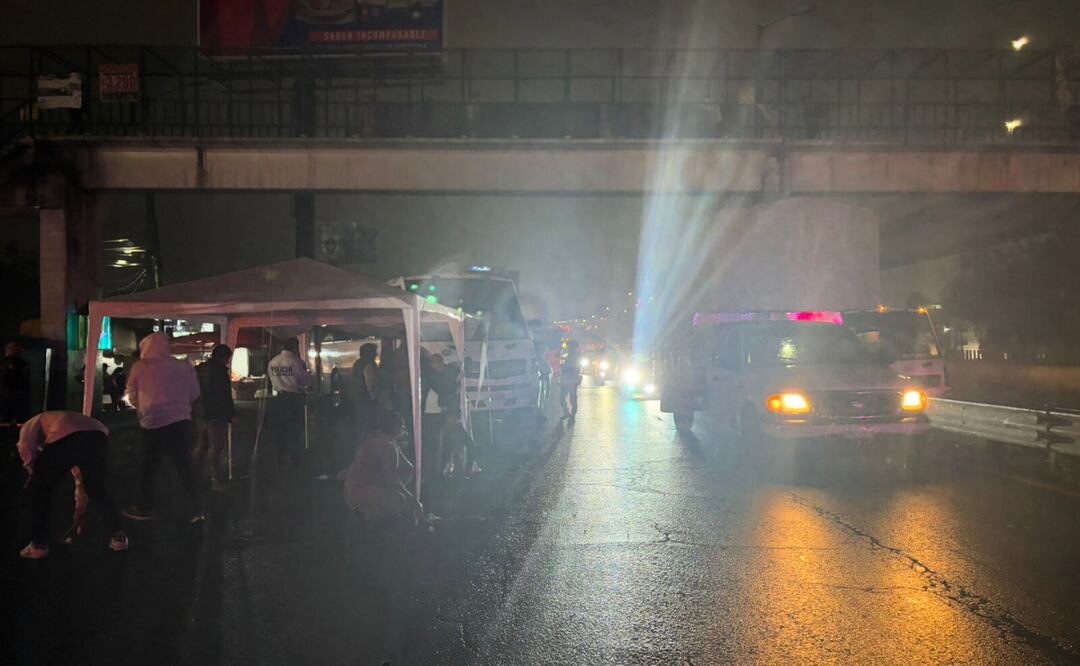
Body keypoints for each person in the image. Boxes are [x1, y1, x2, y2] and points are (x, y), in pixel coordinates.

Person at [17, 411, 129, 559]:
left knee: (39, 490)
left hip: (68, 435)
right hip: (98, 435)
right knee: (97, 487)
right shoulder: (56, 423)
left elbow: (25, 446)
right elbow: (79, 478)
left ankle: (38, 545)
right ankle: (119, 537)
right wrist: (80, 507)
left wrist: (31, 471)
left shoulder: (29, 425)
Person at [122, 332, 203, 523]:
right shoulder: (183, 366)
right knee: (185, 465)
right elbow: (195, 392)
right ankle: (196, 509)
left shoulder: (140, 367)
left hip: (152, 423)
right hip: (181, 421)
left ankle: (144, 506)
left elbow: (131, 394)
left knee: (147, 467)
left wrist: (143, 407)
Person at [342, 407, 425, 523]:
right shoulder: (386, 446)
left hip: (360, 488)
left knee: (400, 497)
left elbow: (408, 468)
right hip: (361, 490)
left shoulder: (386, 442)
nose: (404, 432)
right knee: (399, 500)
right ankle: (370, 521)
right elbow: (393, 482)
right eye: (402, 428)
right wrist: (414, 503)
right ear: (396, 429)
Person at [193, 344, 234, 492]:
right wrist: (231, 414)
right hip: (216, 414)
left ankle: (191, 475)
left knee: (202, 445)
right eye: (228, 358)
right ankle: (216, 480)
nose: (228, 362)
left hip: (200, 412)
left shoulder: (199, 370)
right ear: (223, 357)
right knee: (215, 448)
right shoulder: (219, 372)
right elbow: (223, 395)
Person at [266, 337, 311, 466]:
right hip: (293, 399)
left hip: (278, 398)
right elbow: (305, 380)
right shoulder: (296, 361)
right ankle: (294, 457)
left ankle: (279, 456)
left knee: (280, 429)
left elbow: (271, 378)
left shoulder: (273, 362)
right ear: (295, 347)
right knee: (294, 429)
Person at [350, 342, 381, 435]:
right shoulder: (369, 365)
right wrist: (376, 398)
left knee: (361, 424)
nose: (376, 355)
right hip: (367, 400)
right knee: (369, 425)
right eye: (374, 352)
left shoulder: (358, 363)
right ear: (370, 353)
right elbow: (371, 384)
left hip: (358, 399)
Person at [0, 340, 31, 425]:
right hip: (6, 397)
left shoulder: (23, 364)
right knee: (6, 419)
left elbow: (25, 381)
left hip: (19, 397)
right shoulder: (4, 364)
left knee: (21, 420)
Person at [559, 341, 583, 420]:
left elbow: (578, 368)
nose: (569, 348)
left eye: (570, 346)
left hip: (572, 379)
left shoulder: (577, 356)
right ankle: (566, 413)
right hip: (564, 379)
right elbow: (558, 357)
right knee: (561, 398)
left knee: (572, 398)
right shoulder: (566, 355)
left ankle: (572, 415)